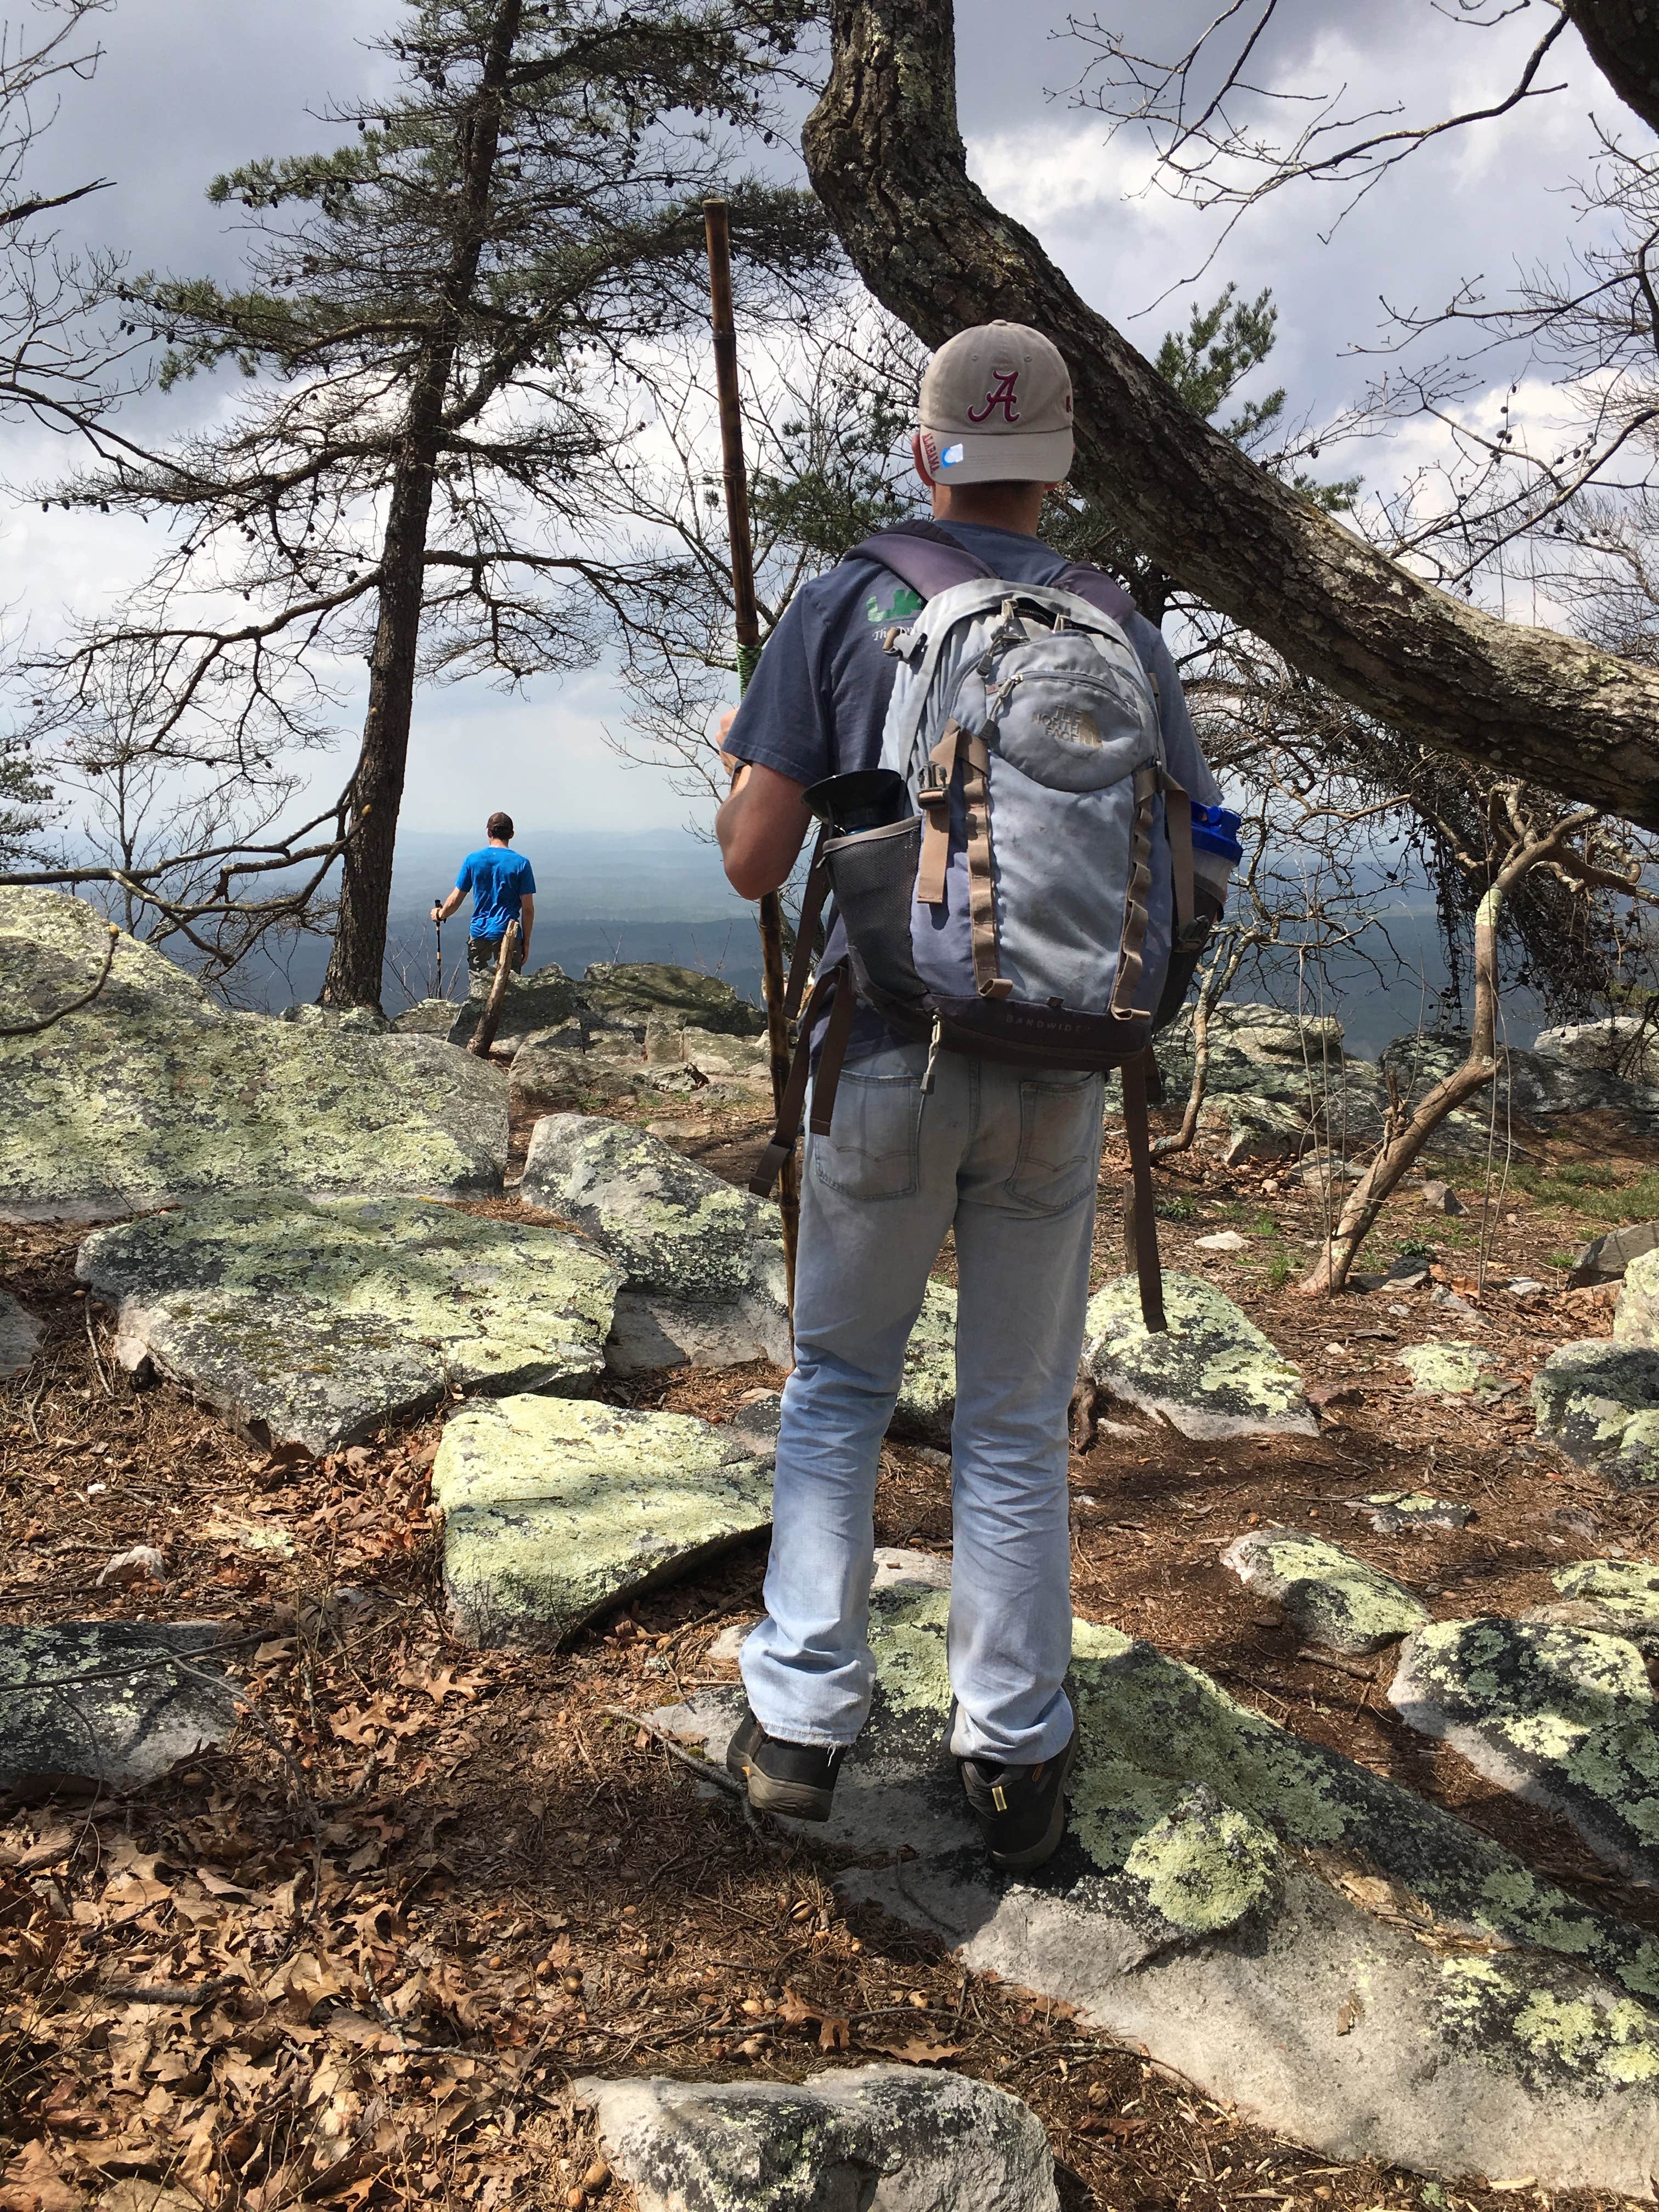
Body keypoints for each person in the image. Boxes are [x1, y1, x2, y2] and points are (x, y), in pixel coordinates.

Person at [712, 321, 1219, 1871]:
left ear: (926, 450)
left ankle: (803, 1721)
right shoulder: (1117, 622)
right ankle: (1015, 1754)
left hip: (885, 1050)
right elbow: (1194, 858)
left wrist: (751, 760)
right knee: (1010, 1419)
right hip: (1064, 1069)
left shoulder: (846, 598)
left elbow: (750, 856)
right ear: (1059, 469)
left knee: (841, 1391)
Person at [432, 811, 536, 988]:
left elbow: (455, 900)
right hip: (509, 934)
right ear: (511, 834)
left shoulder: (473, 860)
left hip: (479, 932)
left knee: (478, 990)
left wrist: (440, 914)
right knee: (509, 989)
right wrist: (526, 941)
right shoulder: (522, 864)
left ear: (489, 832)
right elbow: (528, 909)